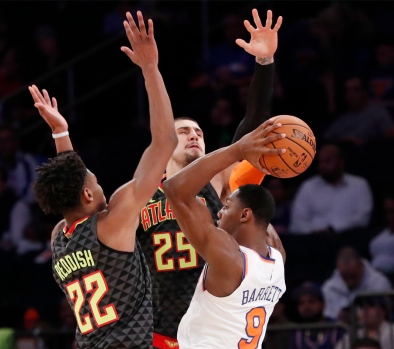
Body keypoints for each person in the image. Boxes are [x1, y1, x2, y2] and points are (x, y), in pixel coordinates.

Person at [136, 9, 283, 347]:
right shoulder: (139, 192)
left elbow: (255, 123)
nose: (194, 136)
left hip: (214, 325)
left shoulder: (219, 181)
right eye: (184, 131)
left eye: (199, 132)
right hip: (159, 331)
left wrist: (265, 62)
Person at [31, 11, 177, 348]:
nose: (101, 187)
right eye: (95, 182)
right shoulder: (113, 222)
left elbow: (69, 178)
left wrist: (61, 132)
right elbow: (166, 142)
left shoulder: (59, 240)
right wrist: (151, 69)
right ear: (85, 194)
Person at [163, 119, 287, 348]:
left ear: (245, 215)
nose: (219, 211)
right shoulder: (278, 257)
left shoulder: (228, 258)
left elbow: (174, 190)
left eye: (227, 206)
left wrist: (237, 150)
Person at [321, 247, 392, 321]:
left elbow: (381, 313)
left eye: (353, 276)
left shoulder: (379, 282)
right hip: (339, 329)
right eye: (345, 277)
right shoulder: (329, 287)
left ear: (361, 266)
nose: (349, 281)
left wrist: (356, 317)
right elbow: (328, 315)